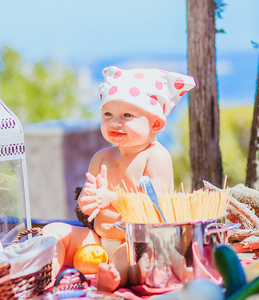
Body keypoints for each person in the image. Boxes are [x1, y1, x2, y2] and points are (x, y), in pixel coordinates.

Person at [42, 66, 196, 292]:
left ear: (156, 124)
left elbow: (155, 207)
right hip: (97, 241)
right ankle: (46, 277)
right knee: (54, 231)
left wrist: (111, 198)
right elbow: (89, 200)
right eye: (108, 114)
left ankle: (111, 279)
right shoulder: (101, 157)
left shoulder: (156, 157)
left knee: (132, 258)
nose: (115, 122)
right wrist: (88, 201)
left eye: (127, 115)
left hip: (134, 242)